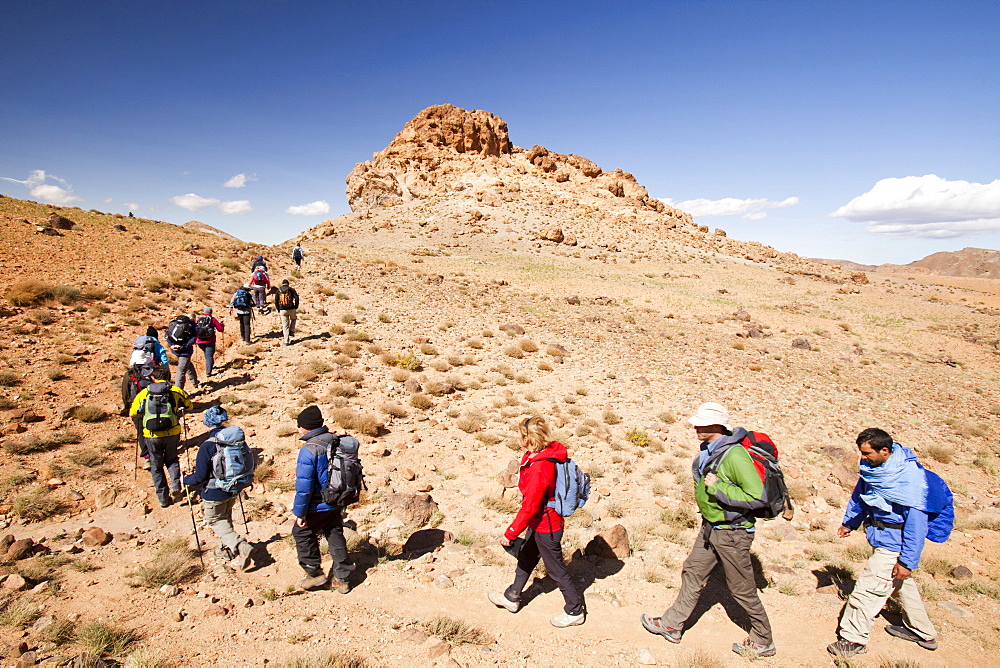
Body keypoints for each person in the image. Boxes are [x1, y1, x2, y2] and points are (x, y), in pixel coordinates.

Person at [640, 402, 775, 658]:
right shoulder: (710, 450)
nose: (695, 427)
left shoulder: (734, 455)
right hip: (712, 527)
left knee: (741, 589)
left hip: (732, 532)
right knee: (692, 572)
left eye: (701, 424)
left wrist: (718, 487)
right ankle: (672, 624)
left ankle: (763, 639)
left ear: (717, 426)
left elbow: (758, 495)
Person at [826, 428, 952, 658]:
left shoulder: (910, 481)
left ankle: (853, 639)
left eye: (867, 454)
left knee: (867, 591)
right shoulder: (874, 471)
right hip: (880, 536)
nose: (862, 459)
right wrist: (850, 523)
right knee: (902, 587)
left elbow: (916, 526)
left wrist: (907, 561)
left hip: (895, 545)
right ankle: (922, 632)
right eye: (861, 453)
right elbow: (860, 498)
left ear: (885, 451)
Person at [489, 416, 585, 628]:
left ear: (527, 438)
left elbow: (531, 505)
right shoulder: (541, 454)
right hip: (539, 521)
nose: (518, 438)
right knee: (526, 556)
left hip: (546, 526)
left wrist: (511, 532)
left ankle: (575, 610)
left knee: (555, 569)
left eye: (520, 435)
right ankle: (512, 596)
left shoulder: (541, 466)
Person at [292, 405, 355, 593]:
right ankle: (342, 578)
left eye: (300, 425)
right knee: (334, 531)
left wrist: (300, 512)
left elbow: (304, 486)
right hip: (338, 498)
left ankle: (314, 574)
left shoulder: (309, 449)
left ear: (306, 427)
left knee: (301, 532)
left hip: (319, 503)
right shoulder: (334, 440)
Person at [183, 416, 254, 571]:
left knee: (215, 520)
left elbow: (200, 477)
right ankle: (225, 550)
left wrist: (186, 480)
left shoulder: (207, 447)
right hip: (233, 489)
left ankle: (240, 545)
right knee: (225, 518)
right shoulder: (235, 442)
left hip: (214, 493)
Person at [129, 367, 192, 508]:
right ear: (168, 376)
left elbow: (133, 412)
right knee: (172, 460)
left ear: (152, 378)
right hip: (172, 432)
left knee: (156, 466)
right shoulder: (175, 391)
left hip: (151, 435)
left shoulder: (144, 393)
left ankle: (163, 498)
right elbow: (189, 405)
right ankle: (176, 486)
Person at [168, 314, 200, 391]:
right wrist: (183, 347)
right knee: (181, 370)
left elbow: (167, 335)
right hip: (185, 351)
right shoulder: (193, 326)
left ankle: (194, 382)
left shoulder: (174, 323)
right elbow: (194, 338)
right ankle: (177, 390)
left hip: (175, 350)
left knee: (187, 364)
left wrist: (172, 345)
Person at [194, 307, 224, 377]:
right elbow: (220, 329)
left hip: (199, 341)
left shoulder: (199, 319)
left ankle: (209, 366)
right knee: (209, 356)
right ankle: (208, 372)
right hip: (210, 341)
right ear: (211, 312)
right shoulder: (213, 320)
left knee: (207, 355)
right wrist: (222, 325)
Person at [274, 279, 300, 346]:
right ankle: (291, 330)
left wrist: (278, 309)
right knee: (294, 319)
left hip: (282, 310)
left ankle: (286, 341)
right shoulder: (291, 290)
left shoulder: (278, 290)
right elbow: (296, 298)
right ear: (288, 284)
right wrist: (296, 306)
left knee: (285, 326)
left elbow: (276, 301)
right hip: (291, 308)